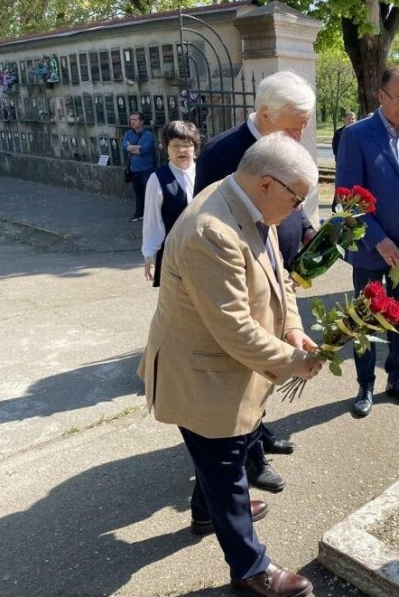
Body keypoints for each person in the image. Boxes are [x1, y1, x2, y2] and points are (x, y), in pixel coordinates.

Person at [137, 133, 322, 597]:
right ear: (266, 184)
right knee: (224, 466)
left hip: (224, 366)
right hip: (200, 372)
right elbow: (234, 329)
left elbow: (280, 274)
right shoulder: (211, 230)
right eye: (296, 197)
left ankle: (206, 512)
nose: (298, 209)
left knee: (224, 459)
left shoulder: (250, 205)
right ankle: (250, 567)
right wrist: (296, 361)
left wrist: (293, 329)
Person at [194, 70, 316, 492]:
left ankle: (257, 434)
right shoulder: (223, 154)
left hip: (278, 270)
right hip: (239, 279)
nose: (300, 136)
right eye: (294, 126)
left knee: (267, 363)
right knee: (245, 366)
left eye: (304, 126)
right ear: (264, 114)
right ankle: (249, 460)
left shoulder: (281, 147)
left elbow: (293, 201)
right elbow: (202, 224)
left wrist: (304, 229)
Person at [335, 64, 399, 418]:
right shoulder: (357, 135)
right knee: (365, 319)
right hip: (369, 250)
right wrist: (378, 240)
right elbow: (347, 197)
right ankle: (365, 385)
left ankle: (398, 378)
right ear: (380, 96)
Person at [141, 121, 201, 287]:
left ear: (195, 149)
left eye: (187, 145)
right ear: (167, 149)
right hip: (173, 253)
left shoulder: (205, 173)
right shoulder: (158, 179)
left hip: (204, 251)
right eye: (175, 145)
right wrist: (149, 254)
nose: (181, 150)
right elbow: (152, 220)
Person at [123, 112, 156, 222]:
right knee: (138, 193)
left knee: (149, 193)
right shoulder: (128, 134)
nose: (132, 121)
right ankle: (139, 213)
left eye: (135, 119)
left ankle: (151, 215)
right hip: (134, 169)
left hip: (146, 169)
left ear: (141, 121)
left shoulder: (148, 135)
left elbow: (144, 149)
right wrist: (136, 148)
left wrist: (131, 147)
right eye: (131, 119)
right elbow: (124, 147)